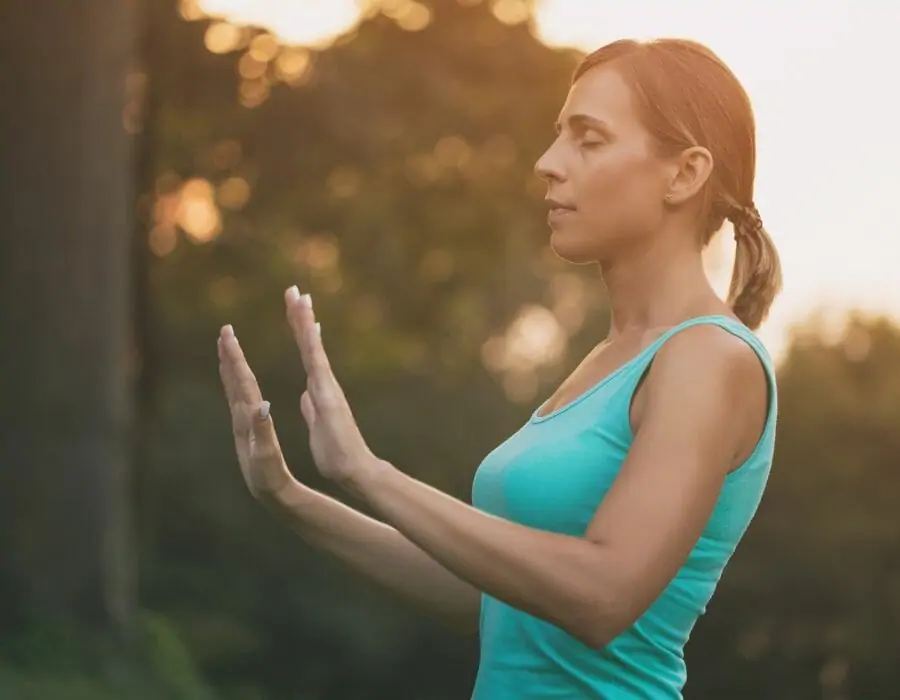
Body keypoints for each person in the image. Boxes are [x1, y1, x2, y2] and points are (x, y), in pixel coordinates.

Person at [216, 37, 782, 700]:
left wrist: (370, 473)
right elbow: (499, 609)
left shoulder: (710, 359)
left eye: (589, 139)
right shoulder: (606, 362)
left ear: (684, 174)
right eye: (557, 137)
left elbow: (602, 597)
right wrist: (291, 496)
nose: (548, 164)